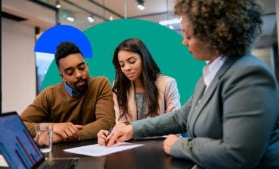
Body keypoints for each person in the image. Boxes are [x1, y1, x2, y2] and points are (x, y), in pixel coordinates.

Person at [98, 0, 279, 168]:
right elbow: (180, 118)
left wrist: (180, 145)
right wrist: (133, 129)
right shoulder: (210, 75)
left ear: (214, 34)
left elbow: (238, 154)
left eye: (188, 35)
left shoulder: (249, 75)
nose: (184, 42)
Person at [20, 41, 115, 144]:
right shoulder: (49, 95)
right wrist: (51, 128)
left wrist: (60, 137)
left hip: (96, 154)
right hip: (60, 156)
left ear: (87, 66)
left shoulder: (100, 84)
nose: (78, 74)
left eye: (82, 68)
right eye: (70, 72)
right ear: (62, 76)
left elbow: (106, 123)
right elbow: (19, 125)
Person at [113, 38, 181, 124]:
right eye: (122, 65)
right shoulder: (119, 85)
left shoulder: (168, 83)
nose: (127, 68)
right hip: (130, 138)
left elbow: (175, 122)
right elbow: (121, 123)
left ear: (144, 59)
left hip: (162, 137)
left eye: (132, 61)